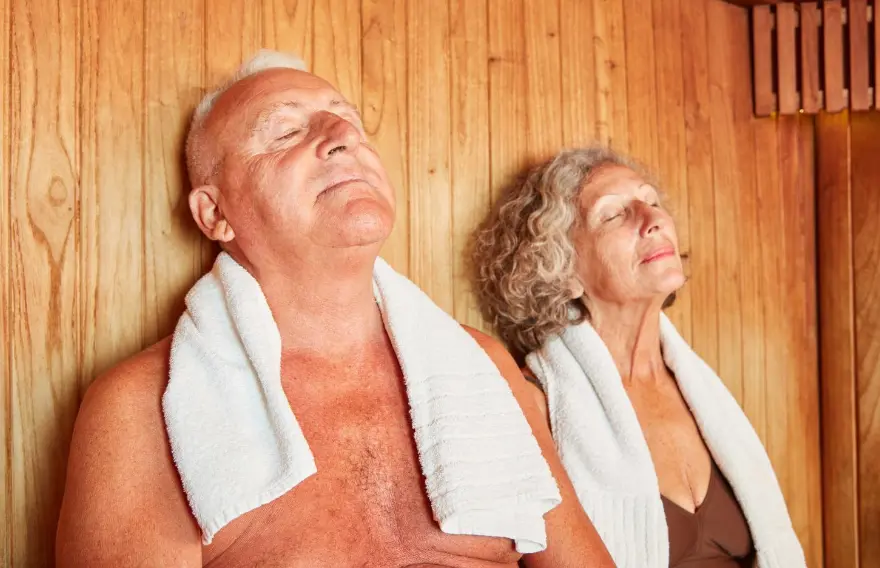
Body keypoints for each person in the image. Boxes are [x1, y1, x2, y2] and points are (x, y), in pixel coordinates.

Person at [55, 52, 614, 568]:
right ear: (215, 213)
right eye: (286, 131)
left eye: (348, 120)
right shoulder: (142, 408)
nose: (344, 136)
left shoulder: (482, 367)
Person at [471, 147, 806, 568]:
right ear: (562, 271)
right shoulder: (538, 404)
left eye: (652, 201)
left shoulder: (703, 395)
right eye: (614, 215)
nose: (654, 219)